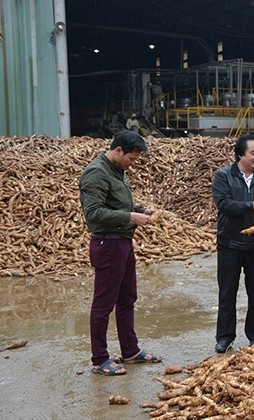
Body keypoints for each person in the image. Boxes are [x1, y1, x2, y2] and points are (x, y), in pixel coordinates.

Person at [79, 130, 162, 376]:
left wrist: (139, 209)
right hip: (108, 244)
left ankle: (130, 351)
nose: (132, 163)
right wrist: (130, 216)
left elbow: (117, 205)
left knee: (127, 298)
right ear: (118, 151)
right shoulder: (96, 173)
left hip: (123, 242)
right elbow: (93, 213)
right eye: (132, 158)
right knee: (103, 304)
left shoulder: (117, 171)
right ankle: (100, 359)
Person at [211, 133, 254, 352]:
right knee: (227, 291)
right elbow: (224, 204)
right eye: (253, 153)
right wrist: (251, 207)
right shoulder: (224, 176)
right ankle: (224, 337)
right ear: (241, 153)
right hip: (230, 243)